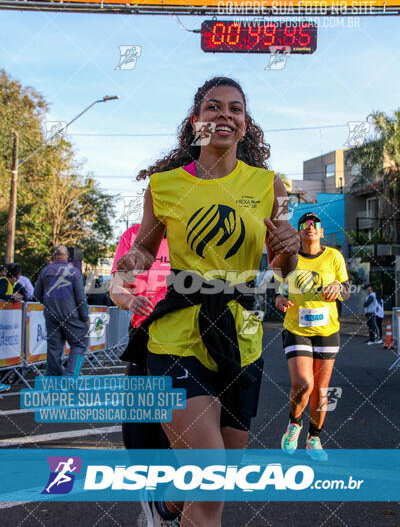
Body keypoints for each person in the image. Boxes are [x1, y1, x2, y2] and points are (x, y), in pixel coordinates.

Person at [117, 76, 300, 527]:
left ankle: (167, 506)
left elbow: (284, 270)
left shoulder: (269, 186)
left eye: (234, 109)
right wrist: (126, 275)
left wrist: (290, 249)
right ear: (196, 121)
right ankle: (172, 505)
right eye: (213, 108)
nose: (224, 115)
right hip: (178, 334)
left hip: (243, 339)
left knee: (214, 481)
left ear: (245, 124)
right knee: (212, 479)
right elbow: (143, 247)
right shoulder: (164, 187)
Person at [110, 224, 173, 525]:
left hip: (188, 346)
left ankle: (170, 509)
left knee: (176, 437)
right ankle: (152, 513)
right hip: (145, 341)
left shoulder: (195, 228)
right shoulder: (133, 236)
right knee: (139, 435)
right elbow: (117, 288)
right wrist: (130, 300)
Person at [275, 212, 350, 461]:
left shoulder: (334, 257)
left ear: (321, 231)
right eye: (304, 224)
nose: (310, 227)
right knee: (303, 384)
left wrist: (338, 287)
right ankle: (294, 424)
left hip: (327, 330)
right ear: (299, 232)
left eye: (315, 224)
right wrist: (280, 299)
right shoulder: (289, 259)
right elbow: (278, 291)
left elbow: (347, 289)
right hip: (297, 329)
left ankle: (314, 438)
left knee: (321, 390)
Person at [34, 245, 89, 376]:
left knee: (54, 348)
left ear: (53, 256)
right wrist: (85, 317)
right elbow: (80, 297)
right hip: (71, 315)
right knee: (80, 344)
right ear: (67, 256)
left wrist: (49, 305)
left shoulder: (45, 271)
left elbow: (36, 294)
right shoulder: (74, 272)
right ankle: (70, 376)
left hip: (51, 315)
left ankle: (53, 381)